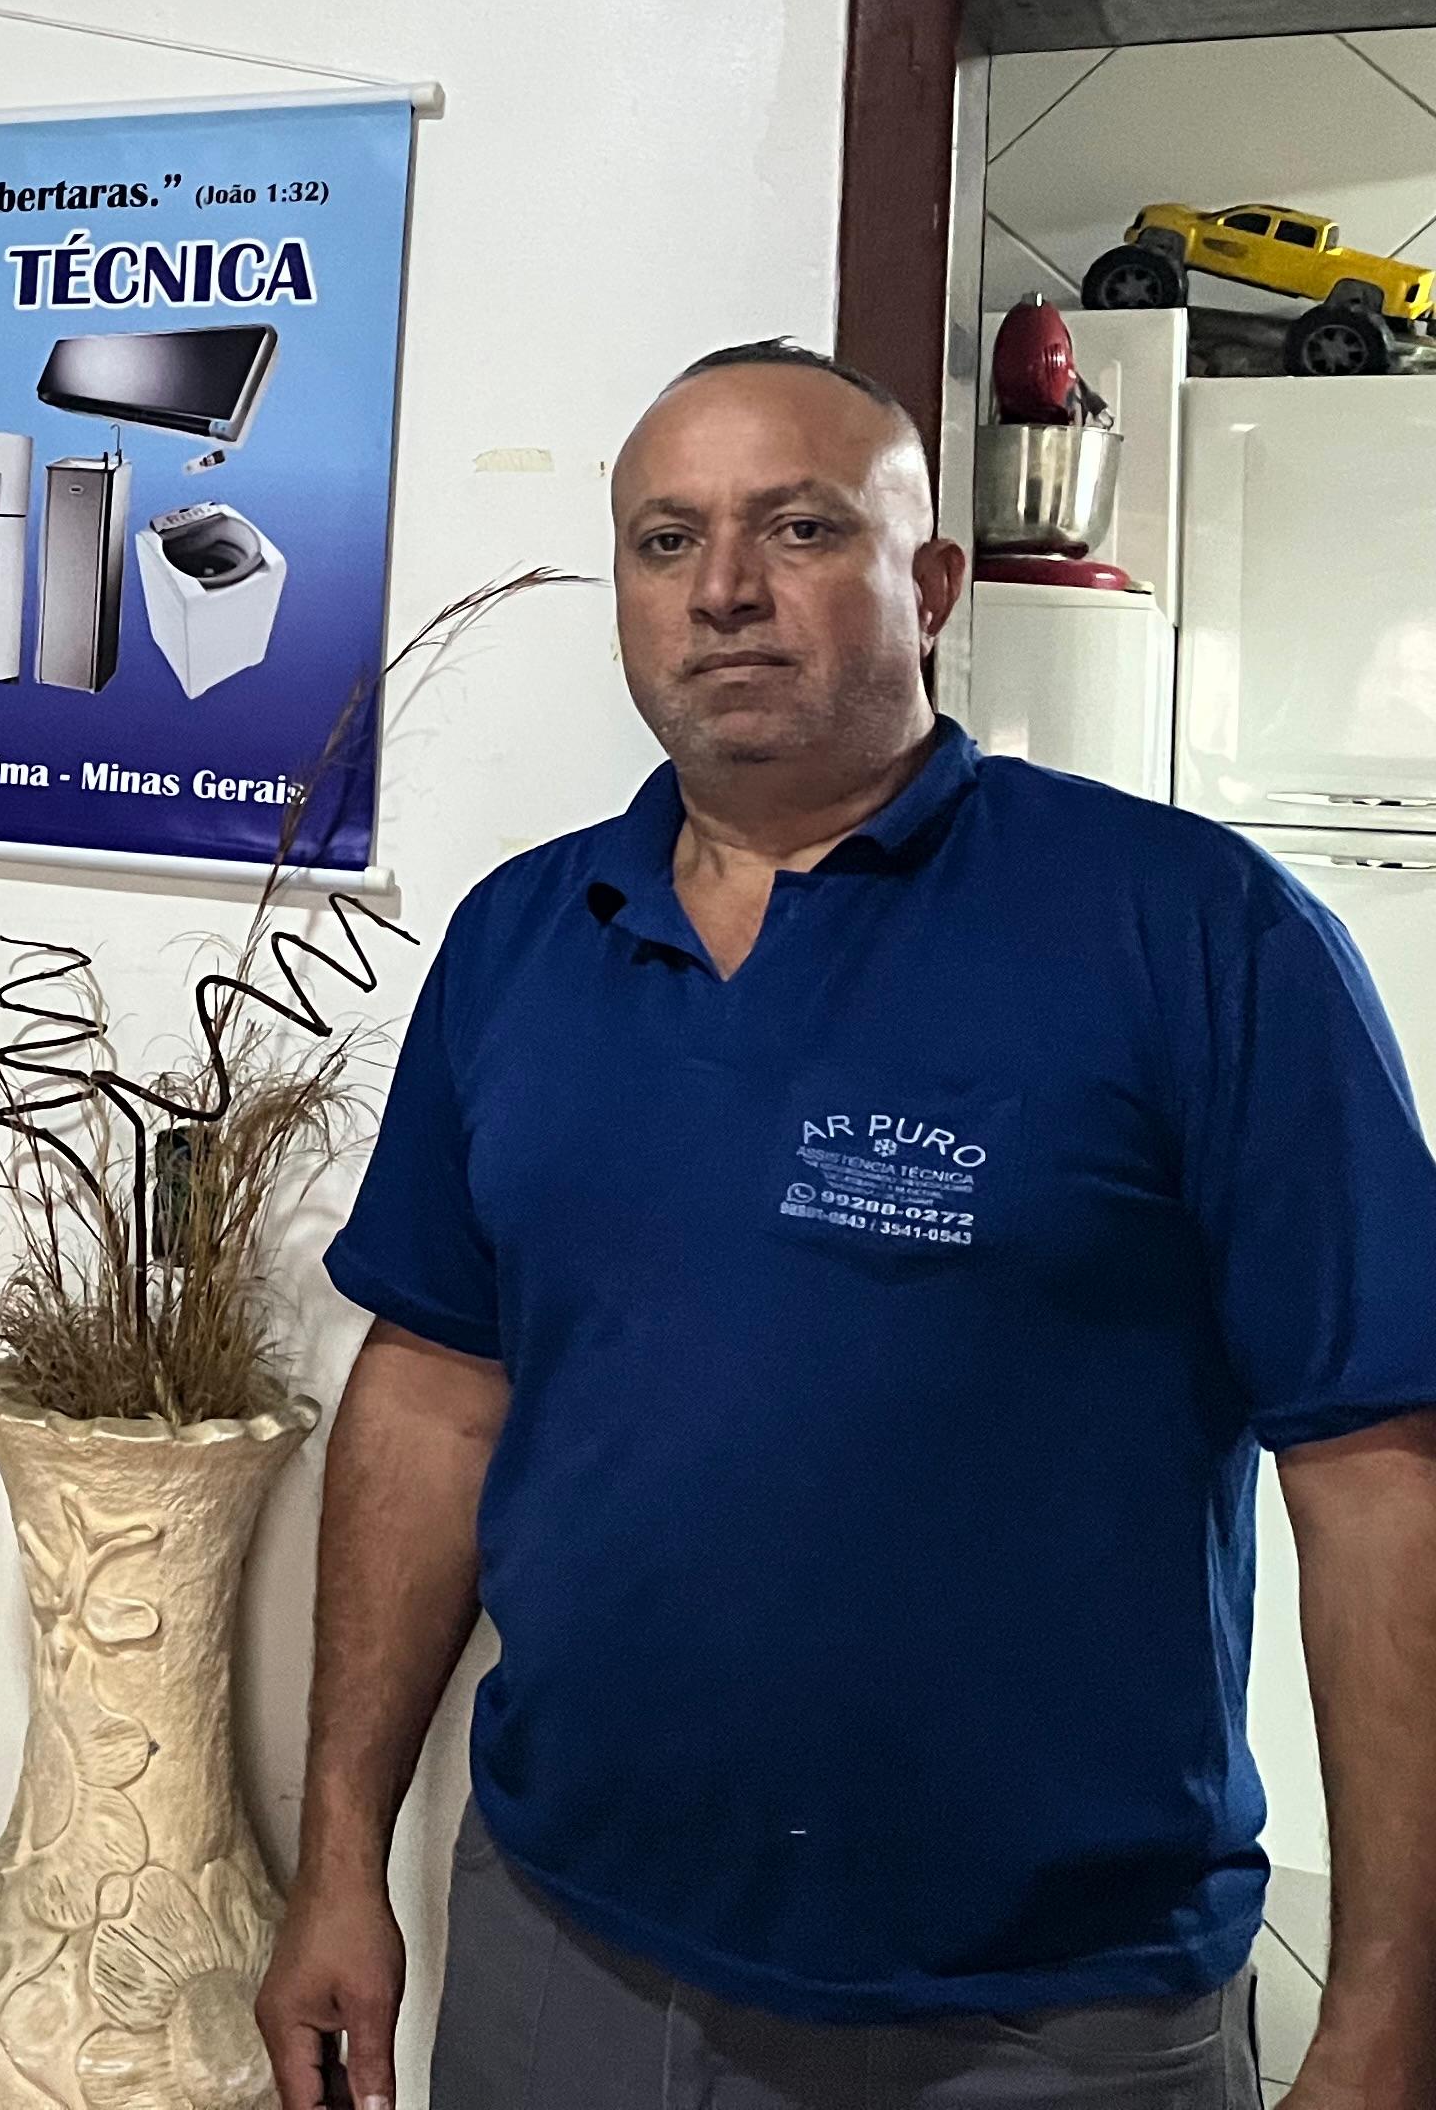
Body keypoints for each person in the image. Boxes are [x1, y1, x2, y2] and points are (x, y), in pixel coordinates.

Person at [252, 341, 1436, 2109]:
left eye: (798, 527)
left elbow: (1379, 1475)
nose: (723, 588)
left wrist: (1390, 2011)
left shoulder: (1192, 933)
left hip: (1047, 2012)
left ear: (931, 585)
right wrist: (339, 1859)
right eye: (666, 541)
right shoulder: (521, 938)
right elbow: (431, 1397)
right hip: (570, 1946)